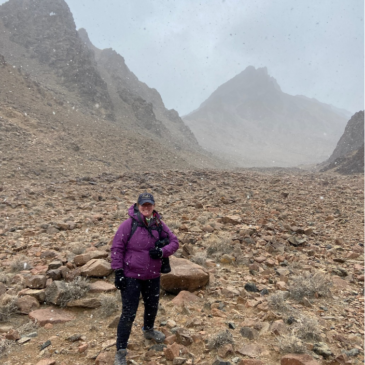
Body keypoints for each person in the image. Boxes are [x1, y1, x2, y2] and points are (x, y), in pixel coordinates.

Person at [111, 192, 179, 365]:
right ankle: (120, 350)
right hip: (131, 276)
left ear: (153, 206)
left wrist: (162, 251)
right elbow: (117, 248)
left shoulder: (159, 224)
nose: (146, 207)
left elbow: (174, 242)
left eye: (149, 204)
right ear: (138, 205)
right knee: (128, 313)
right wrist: (118, 272)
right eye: (143, 205)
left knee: (152, 306)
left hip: (152, 275)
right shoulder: (128, 225)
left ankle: (148, 330)